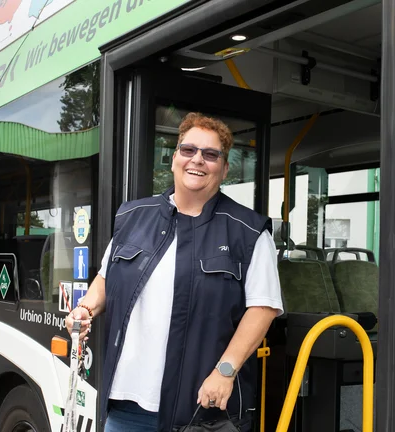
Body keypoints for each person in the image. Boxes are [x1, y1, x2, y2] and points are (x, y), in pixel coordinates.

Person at [66, 112, 284, 432]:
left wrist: (225, 371)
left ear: (224, 169)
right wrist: (85, 309)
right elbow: (105, 278)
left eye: (211, 155)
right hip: (126, 408)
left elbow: (263, 308)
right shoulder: (132, 217)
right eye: (188, 150)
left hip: (201, 411)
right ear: (173, 159)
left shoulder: (248, 232)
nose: (198, 160)